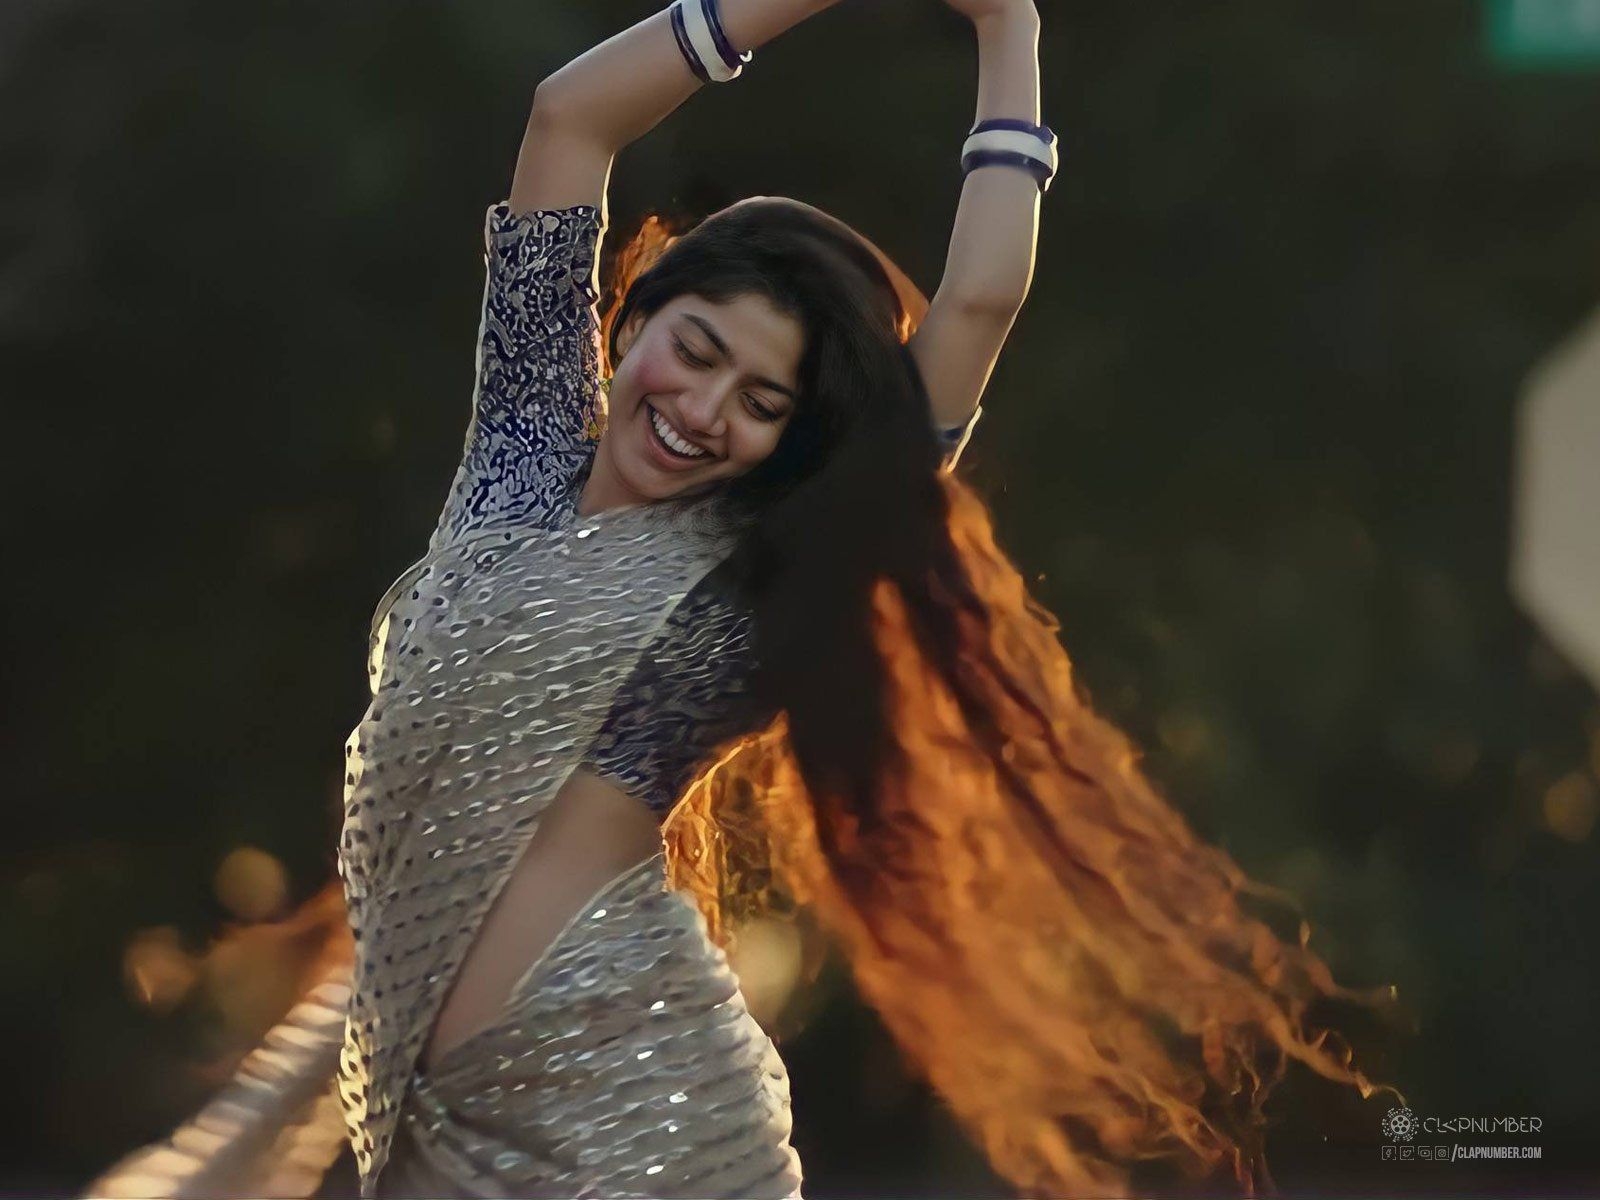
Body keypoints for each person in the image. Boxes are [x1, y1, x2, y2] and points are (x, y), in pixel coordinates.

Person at [86, 1, 1397, 1197]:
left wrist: (1008, 27)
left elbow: (983, 301)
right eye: (695, 351)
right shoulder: (520, 452)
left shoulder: (757, 574)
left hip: (640, 1124)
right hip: (434, 1134)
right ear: (631, 317)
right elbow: (570, 113)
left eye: (761, 404)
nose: (703, 410)